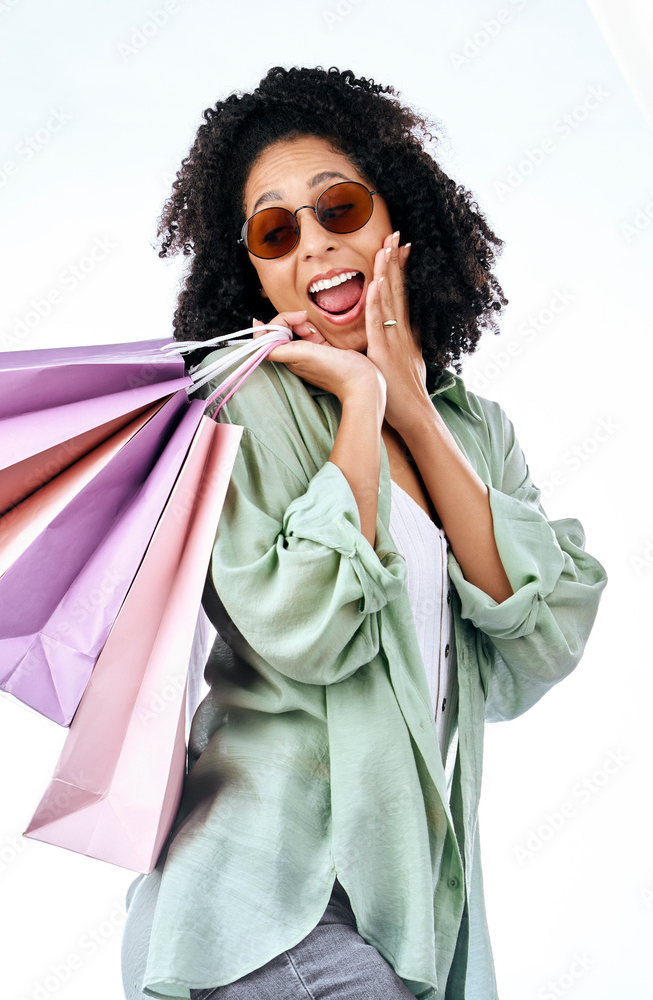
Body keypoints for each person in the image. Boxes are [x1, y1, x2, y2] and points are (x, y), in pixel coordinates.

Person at [120, 65, 607, 1000]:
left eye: (339, 207)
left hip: (402, 917)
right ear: (250, 269)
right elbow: (309, 627)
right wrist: (357, 401)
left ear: (397, 214)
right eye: (276, 230)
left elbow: (540, 642)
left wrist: (411, 410)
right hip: (262, 903)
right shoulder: (240, 407)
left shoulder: (477, 431)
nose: (315, 246)